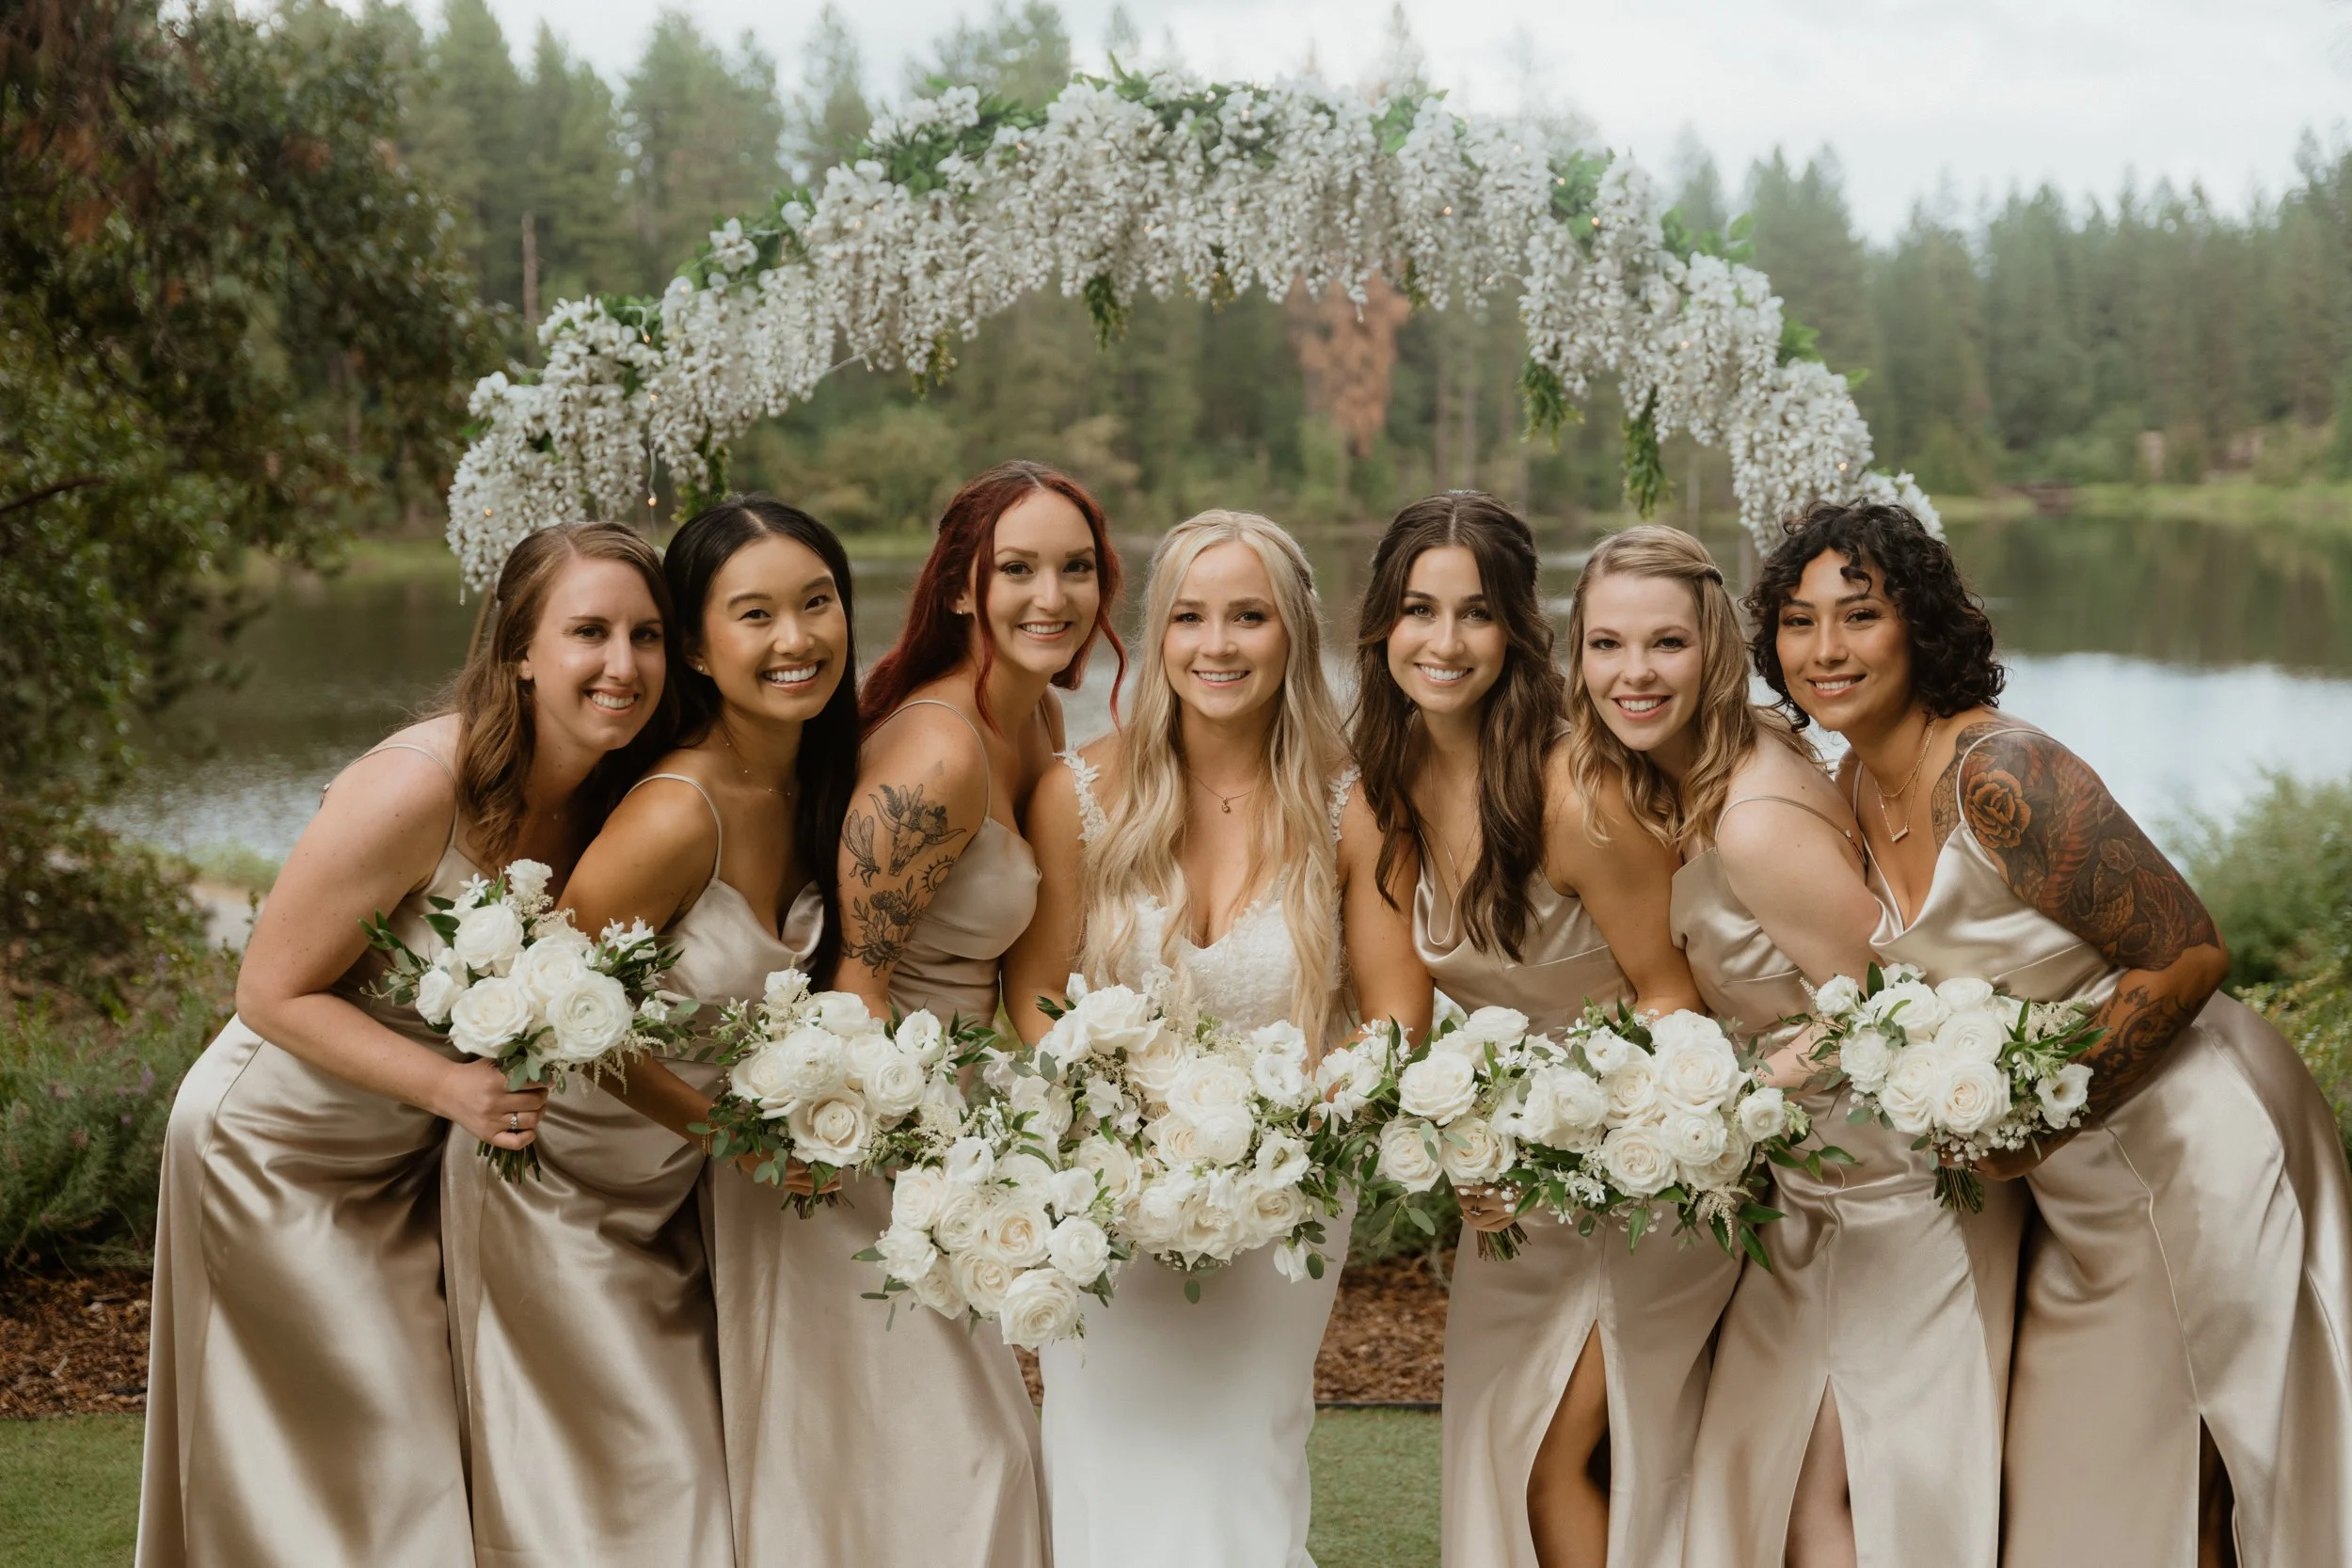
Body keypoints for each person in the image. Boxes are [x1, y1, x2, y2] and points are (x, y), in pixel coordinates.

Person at [1751, 498, 2352, 1568]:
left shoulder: (2002, 774)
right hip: (2074, 1191)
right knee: (2086, 1505)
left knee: (2211, 1474)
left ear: (1920, 624)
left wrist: (2034, 1115)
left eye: (1859, 614)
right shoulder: (1848, 784)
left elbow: (2188, 953)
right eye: (1798, 622)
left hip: (2194, 1144)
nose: (1825, 649)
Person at [137, 522, 675, 1568]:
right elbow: (267, 989)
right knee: (375, 1466)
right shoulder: (417, 785)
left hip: (401, 1158)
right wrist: (450, 1087)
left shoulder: (608, 791)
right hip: (274, 1148)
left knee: (414, 1456)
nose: (623, 664)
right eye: (590, 632)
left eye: (647, 634)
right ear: (519, 647)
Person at [1558, 523, 2021, 1567]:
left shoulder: (1753, 818)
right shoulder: (1694, 767)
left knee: (1844, 1500)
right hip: (1814, 1196)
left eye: (1666, 644)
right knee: (1768, 1484)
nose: (1632, 673)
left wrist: (1710, 1103)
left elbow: (1881, 1002)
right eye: (1604, 644)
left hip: (1895, 1194)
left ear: (1716, 645)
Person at [1004, 509, 1432, 1568]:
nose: (1217, 643)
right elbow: (1034, 996)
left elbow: (1395, 1012)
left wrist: (1307, 1128)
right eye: (1190, 616)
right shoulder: (1081, 795)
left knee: (1247, 1454)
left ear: (1292, 633)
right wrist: (1110, 1117)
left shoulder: (1353, 806)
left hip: (1286, 1193)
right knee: (1102, 1459)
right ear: (1157, 636)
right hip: (1109, 1195)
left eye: (1249, 616)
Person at [442, 498, 853, 1565]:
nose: (796, 638)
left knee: (686, 1491)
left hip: (670, 1199)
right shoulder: (675, 809)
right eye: (753, 613)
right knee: (643, 1495)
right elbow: (549, 1011)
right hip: (557, 1186)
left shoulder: (816, 781)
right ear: (700, 651)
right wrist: (724, 1127)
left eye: (817, 603)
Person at [1351, 494, 1721, 1568]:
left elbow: (1673, 1000)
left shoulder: (1577, 788)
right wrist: (1461, 1132)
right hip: (1506, 1189)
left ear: (1517, 628)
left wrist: (1576, 1141)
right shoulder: (1383, 793)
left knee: (1556, 1460)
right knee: (1500, 1452)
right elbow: (1398, 1021)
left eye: (1475, 612)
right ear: (1383, 624)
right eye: (1420, 609)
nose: (1445, 640)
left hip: (1638, 1173)